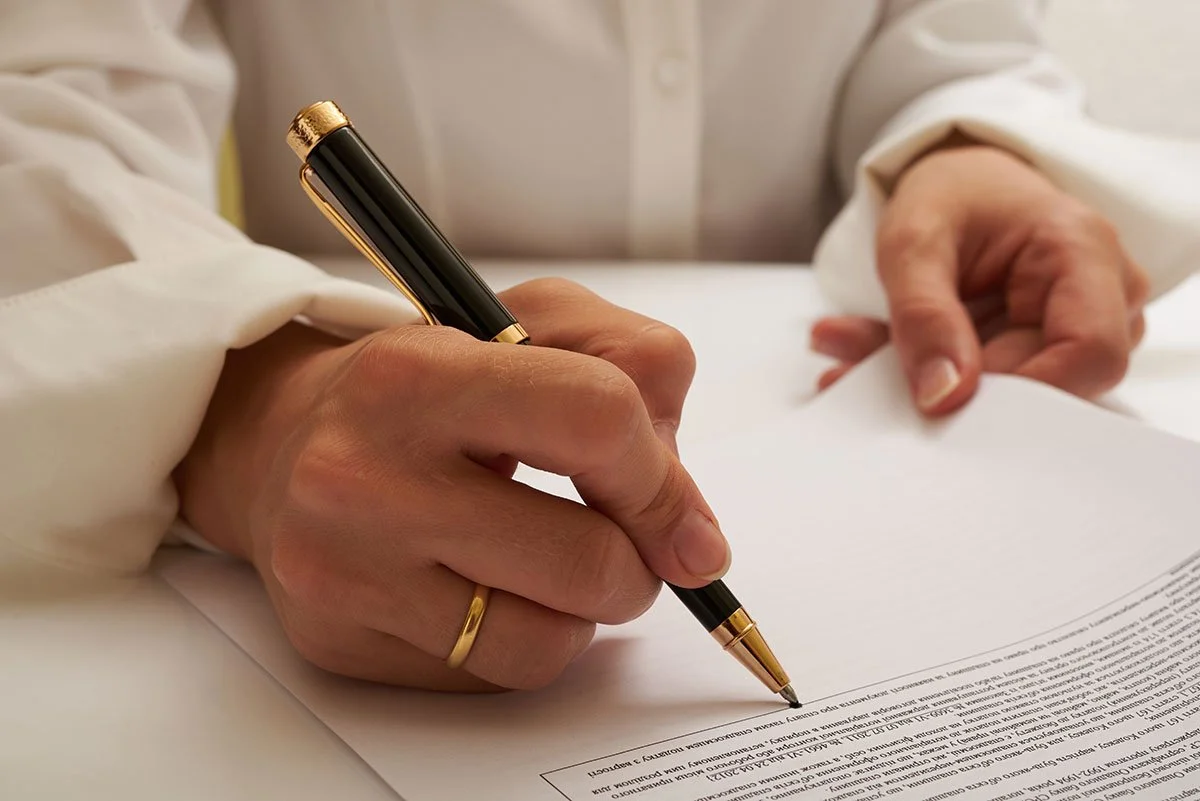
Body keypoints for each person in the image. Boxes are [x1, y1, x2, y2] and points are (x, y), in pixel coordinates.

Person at [2, 1, 1197, 692]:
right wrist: (255, 416)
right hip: (350, 428)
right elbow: (36, 119)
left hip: (833, 359)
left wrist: (957, 145)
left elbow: (941, 28)